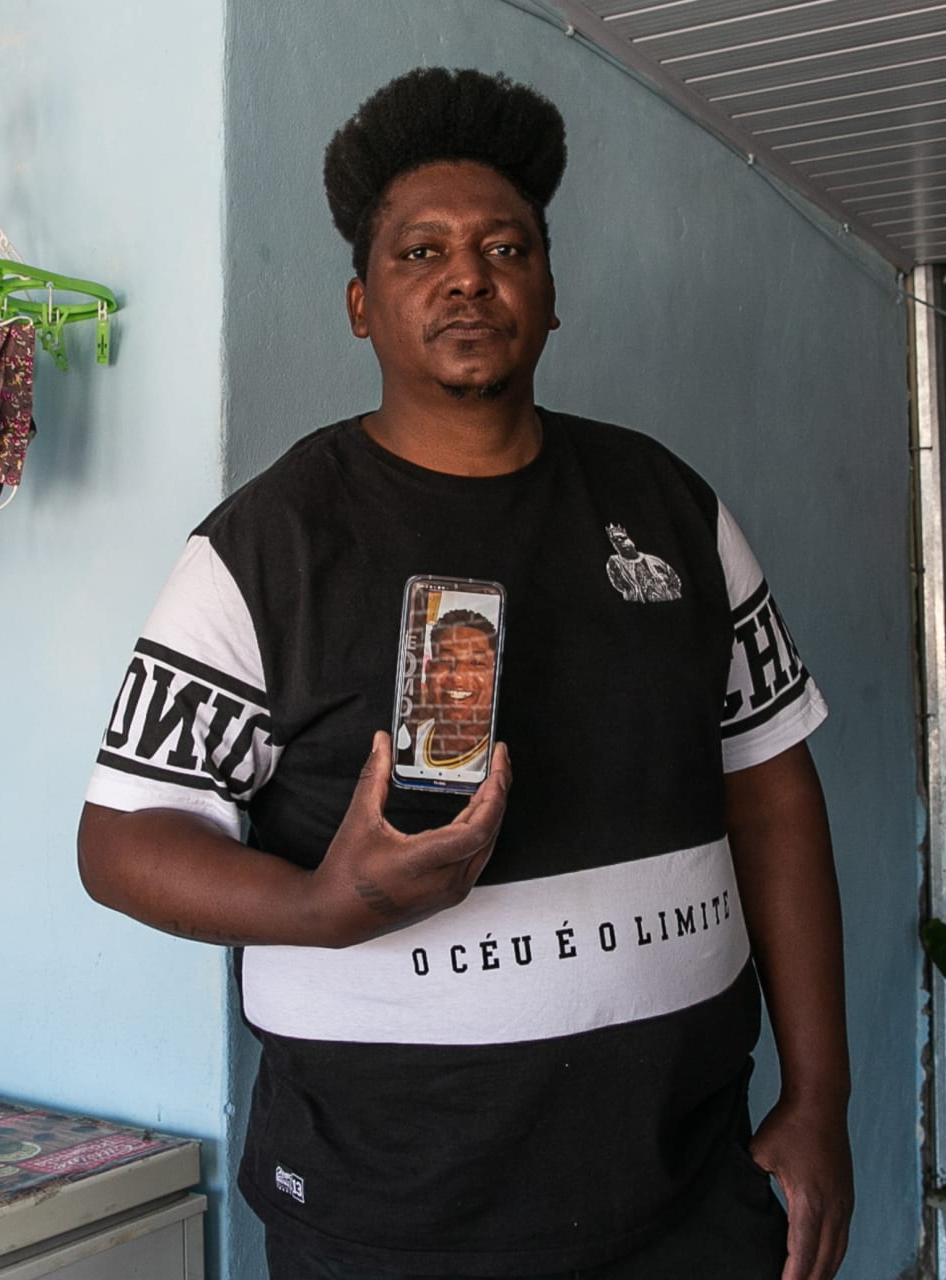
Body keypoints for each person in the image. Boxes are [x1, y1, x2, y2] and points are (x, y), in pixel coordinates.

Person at [78, 66, 851, 1280]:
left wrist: (820, 1097)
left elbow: (771, 790)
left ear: (550, 294)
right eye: (419, 251)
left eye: (506, 246)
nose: (466, 274)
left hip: (691, 1195)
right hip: (388, 1221)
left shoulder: (671, 507)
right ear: (358, 303)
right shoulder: (263, 548)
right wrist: (320, 906)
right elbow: (120, 840)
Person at [394, 609, 498, 780]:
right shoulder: (410, 738)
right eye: (446, 660)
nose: (457, 676)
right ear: (428, 672)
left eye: (476, 662)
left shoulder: (495, 759)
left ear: (494, 677)